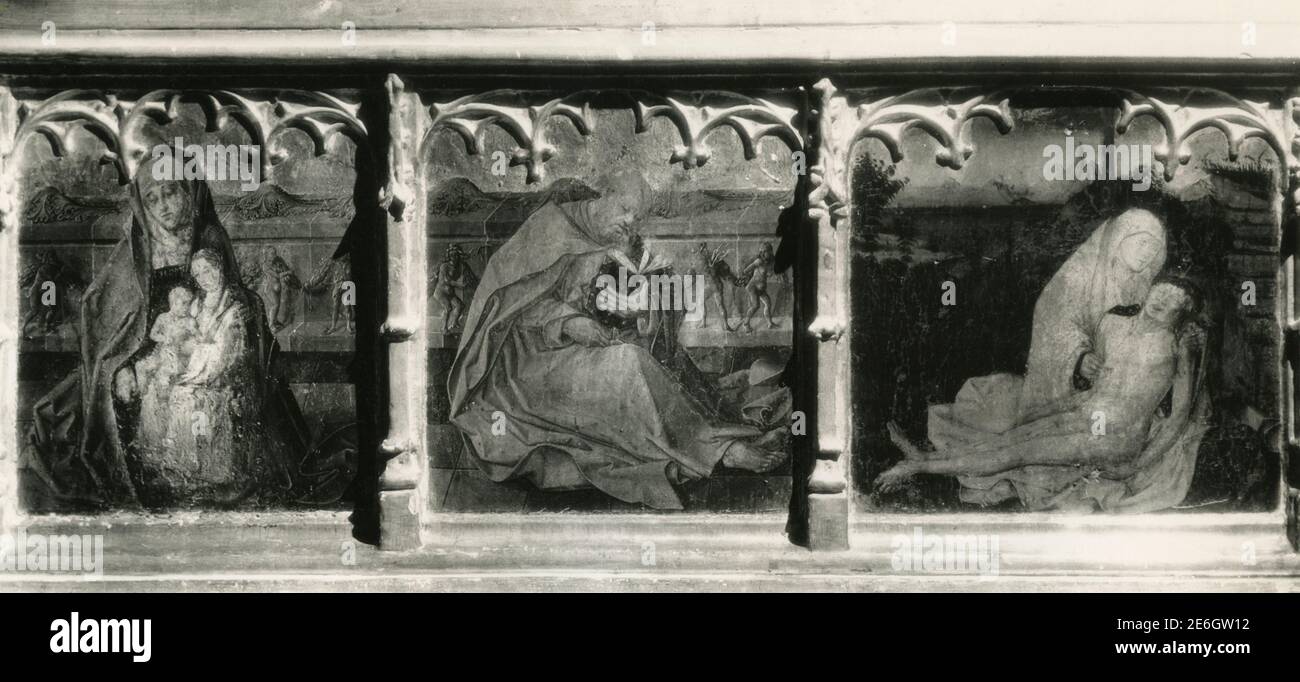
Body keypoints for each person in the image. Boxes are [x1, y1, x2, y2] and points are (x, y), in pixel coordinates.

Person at [448, 169, 789, 510]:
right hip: (525, 366)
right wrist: (567, 323)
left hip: (571, 349)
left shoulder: (602, 238)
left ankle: (723, 436)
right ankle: (720, 453)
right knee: (629, 364)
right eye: (625, 208)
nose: (629, 222)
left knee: (658, 358)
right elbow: (509, 307)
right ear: (604, 194)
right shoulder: (550, 228)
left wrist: (633, 311)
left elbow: (597, 298)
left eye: (636, 216)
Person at [20, 176, 298, 510]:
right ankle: (150, 473)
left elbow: (223, 300)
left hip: (196, 345)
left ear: (189, 193)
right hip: (146, 345)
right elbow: (109, 307)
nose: (163, 206)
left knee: (181, 396)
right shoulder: (140, 242)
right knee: (118, 382)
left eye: (170, 193)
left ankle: (188, 476)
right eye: (152, 199)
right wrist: (128, 360)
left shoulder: (206, 237)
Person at [882, 276, 1208, 512]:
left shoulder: (1179, 346)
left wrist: (1139, 463)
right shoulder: (1114, 325)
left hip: (1117, 437)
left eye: (1175, 299)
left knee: (1019, 452)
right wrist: (1079, 370)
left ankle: (918, 466)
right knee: (1010, 438)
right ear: (1150, 288)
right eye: (1162, 289)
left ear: (1184, 312)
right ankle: (920, 458)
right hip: (1085, 412)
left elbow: (1180, 413)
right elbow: (1092, 373)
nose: (1163, 299)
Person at [926, 207, 1175, 508]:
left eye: (1153, 246)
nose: (1146, 253)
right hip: (1070, 386)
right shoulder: (1079, 274)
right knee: (1025, 442)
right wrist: (1080, 358)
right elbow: (1053, 319)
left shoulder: (1147, 285)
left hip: (1110, 401)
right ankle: (938, 462)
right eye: (1140, 242)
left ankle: (933, 463)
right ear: (1119, 239)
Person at [134, 286, 198, 396]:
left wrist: (193, 332)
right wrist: (164, 338)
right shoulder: (163, 317)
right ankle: (142, 394)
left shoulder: (190, 321)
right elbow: (152, 334)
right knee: (140, 366)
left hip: (177, 357)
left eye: (187, 304)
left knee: (164, 378)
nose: (185, 308)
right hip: (160, 353)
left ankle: (161, 399)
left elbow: (196, 340)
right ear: (172, 304)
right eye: (181, 304)